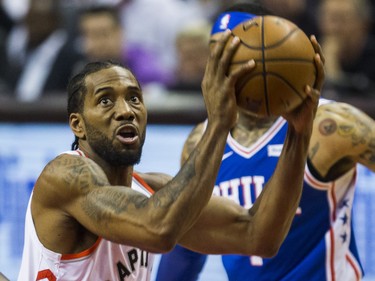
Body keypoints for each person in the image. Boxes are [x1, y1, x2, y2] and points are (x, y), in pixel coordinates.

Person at [16, 22, 324, 280]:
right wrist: (219, 124)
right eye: (106, 100)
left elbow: (259, 236)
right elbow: (158, 229)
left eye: (135, 98)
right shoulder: (65, 174)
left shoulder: (153, 190)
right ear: (78, 125)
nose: (126, 111)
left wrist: (298, 134)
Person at [156, 3, 375, 281]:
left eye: (234, 52)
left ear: (271, 51)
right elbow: (188, 246)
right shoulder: (201, 140)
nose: (223, 64)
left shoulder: (330, 124)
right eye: (216, 53)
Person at [76, 5, 171, 87]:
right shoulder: (77, 69)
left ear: (120, 33)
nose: (95, 43)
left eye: (102, 34)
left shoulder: (142, 64)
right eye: (88, 35)